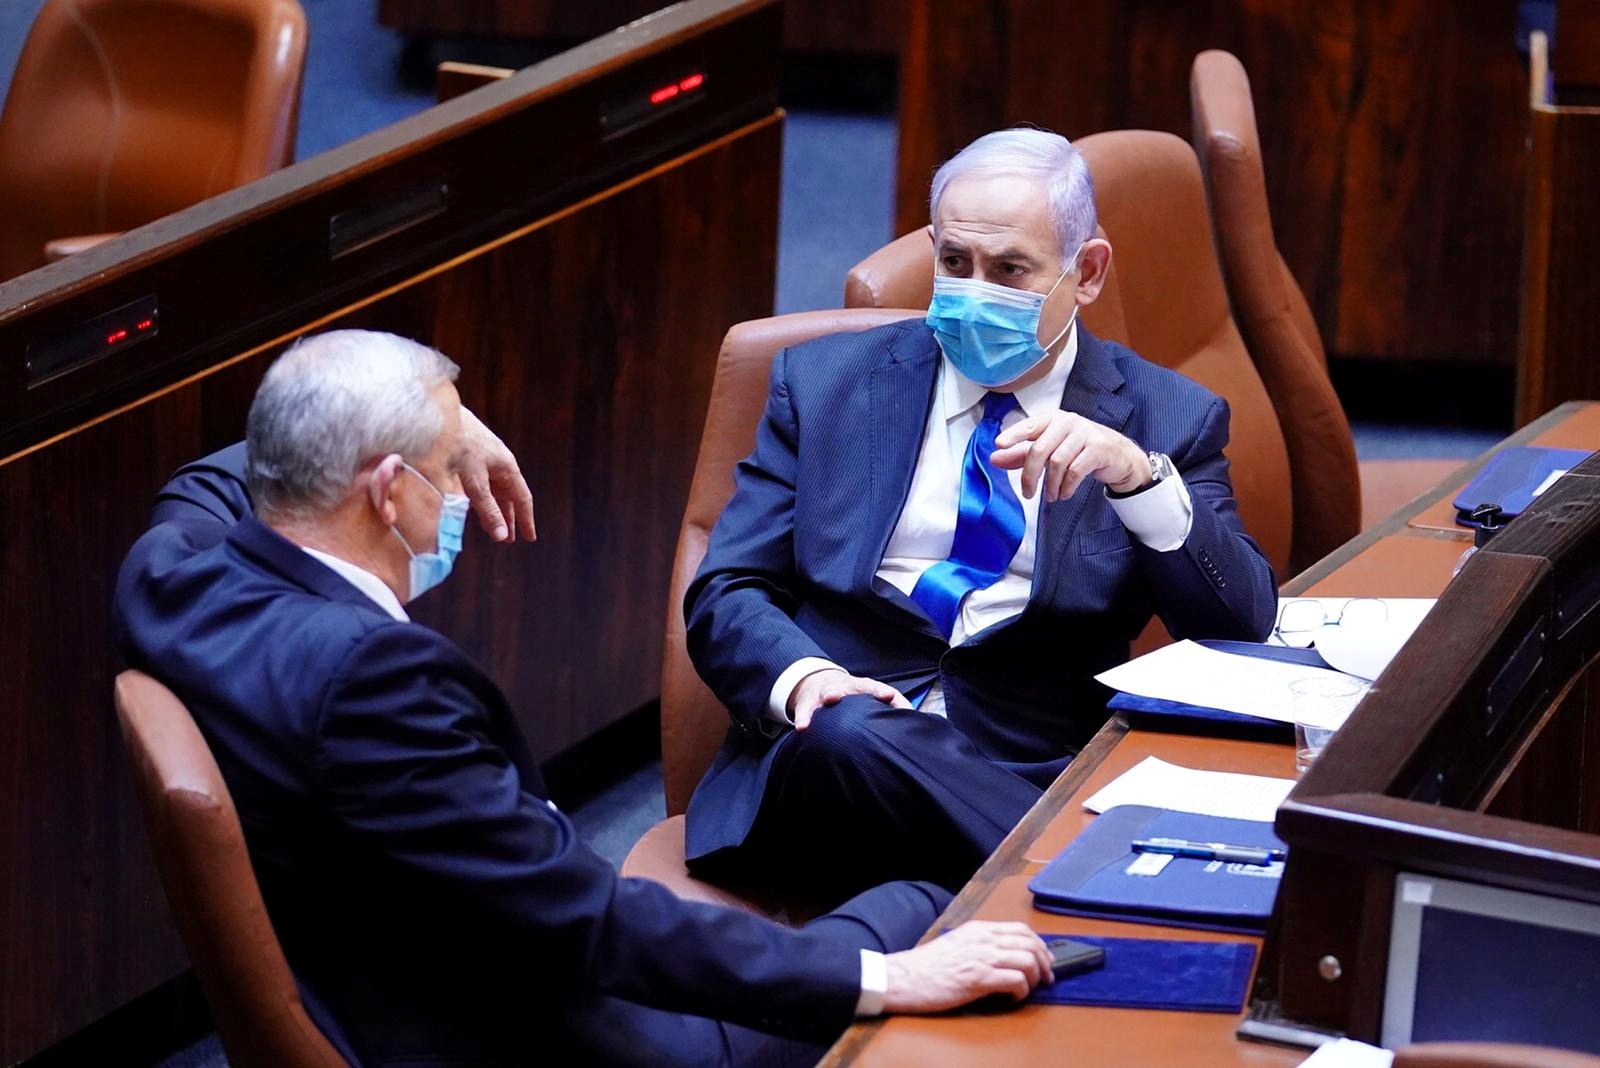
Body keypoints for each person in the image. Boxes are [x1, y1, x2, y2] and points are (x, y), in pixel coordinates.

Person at [113, 330, 1057, 1068]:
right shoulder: (376, 683)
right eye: (446, 468)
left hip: (395, 959)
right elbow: (589, 921)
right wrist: (888, 977)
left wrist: (417, 418)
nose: (458, 494)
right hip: (550, 1035)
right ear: (387, 491)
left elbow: (207, 482)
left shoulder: (169, 581)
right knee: (934, 913)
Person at [684, 129, 1278, 900]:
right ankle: (1079, 873)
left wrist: (1137, 479)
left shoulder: (1165, 417)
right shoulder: (827, 382)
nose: (973, 291)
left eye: (1009, 271)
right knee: (850, 736)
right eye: (955, 263)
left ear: (1086, 272)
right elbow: (727, 587)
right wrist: (808, 681)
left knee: (910, 911)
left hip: (1021, 759)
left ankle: (934, 914)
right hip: (824, 759)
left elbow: (1242, 625)